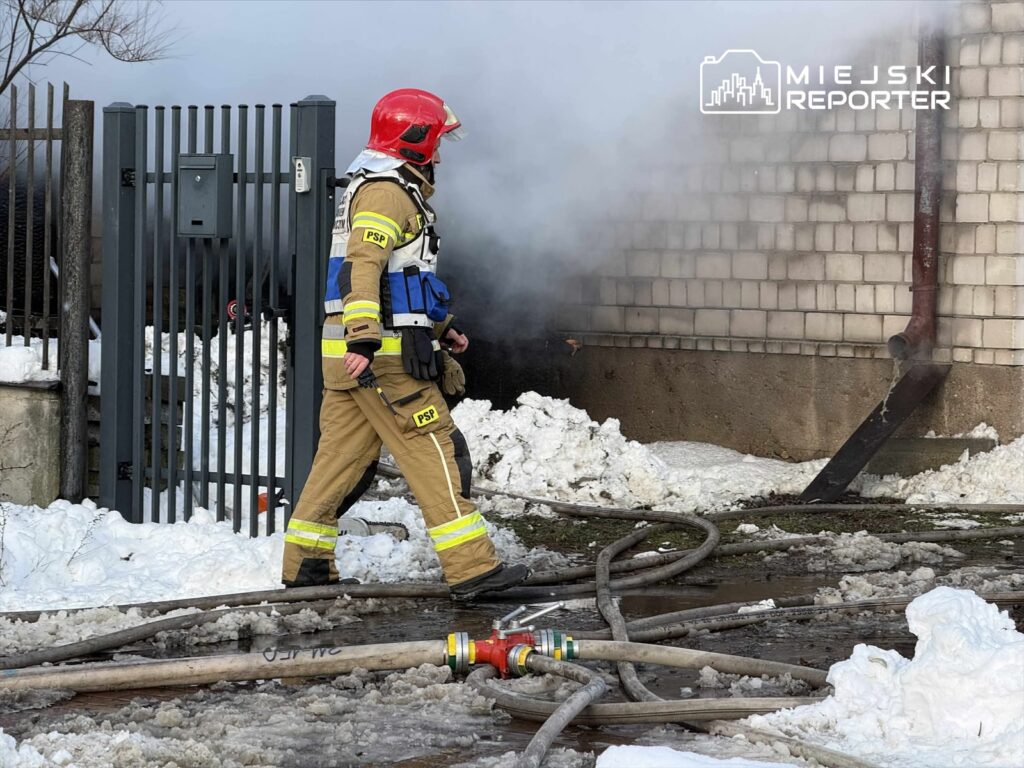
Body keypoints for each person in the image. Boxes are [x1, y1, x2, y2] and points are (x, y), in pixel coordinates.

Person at [281, 88, 529, 600]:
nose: (439, 154)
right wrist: (366, 340)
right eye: (436, 142)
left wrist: (442, 328)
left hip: (358, 361)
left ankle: (304, 567)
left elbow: (404, 279)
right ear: (413, 143)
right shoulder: (387, 192)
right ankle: (471, 568)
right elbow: (362, 269)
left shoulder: (386, 188)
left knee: (337, 464)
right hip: (382, 360)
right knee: (433, 448)